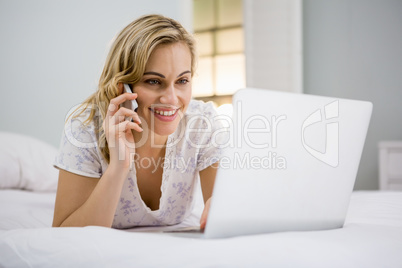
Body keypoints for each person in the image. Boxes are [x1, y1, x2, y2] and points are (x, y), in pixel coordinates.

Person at [52, 14, 227, 229]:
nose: (171, 99)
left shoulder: (202, 122)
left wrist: (223, 211)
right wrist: (119, 165)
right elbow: (62, 234)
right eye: (153, 81)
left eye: (182, 81)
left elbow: (223, 210)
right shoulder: (85, 129)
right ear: (122, 85)